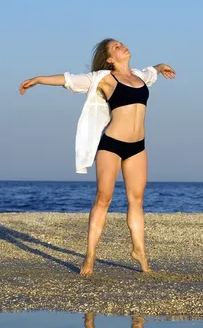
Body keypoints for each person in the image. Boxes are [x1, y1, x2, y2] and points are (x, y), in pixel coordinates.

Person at [19, 39, 175, 276]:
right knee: (104, 198)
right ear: (110, 59)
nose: (122, 46)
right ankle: (90, 256)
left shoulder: (139, 76)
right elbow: (69, 80)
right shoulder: (104, 78)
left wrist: (162, 66)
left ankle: (139, 252)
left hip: (137, 147)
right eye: (116, 47)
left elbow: (153, 70)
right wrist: (39, 79)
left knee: (136, 200)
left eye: (121, 43)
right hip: (112, 145)